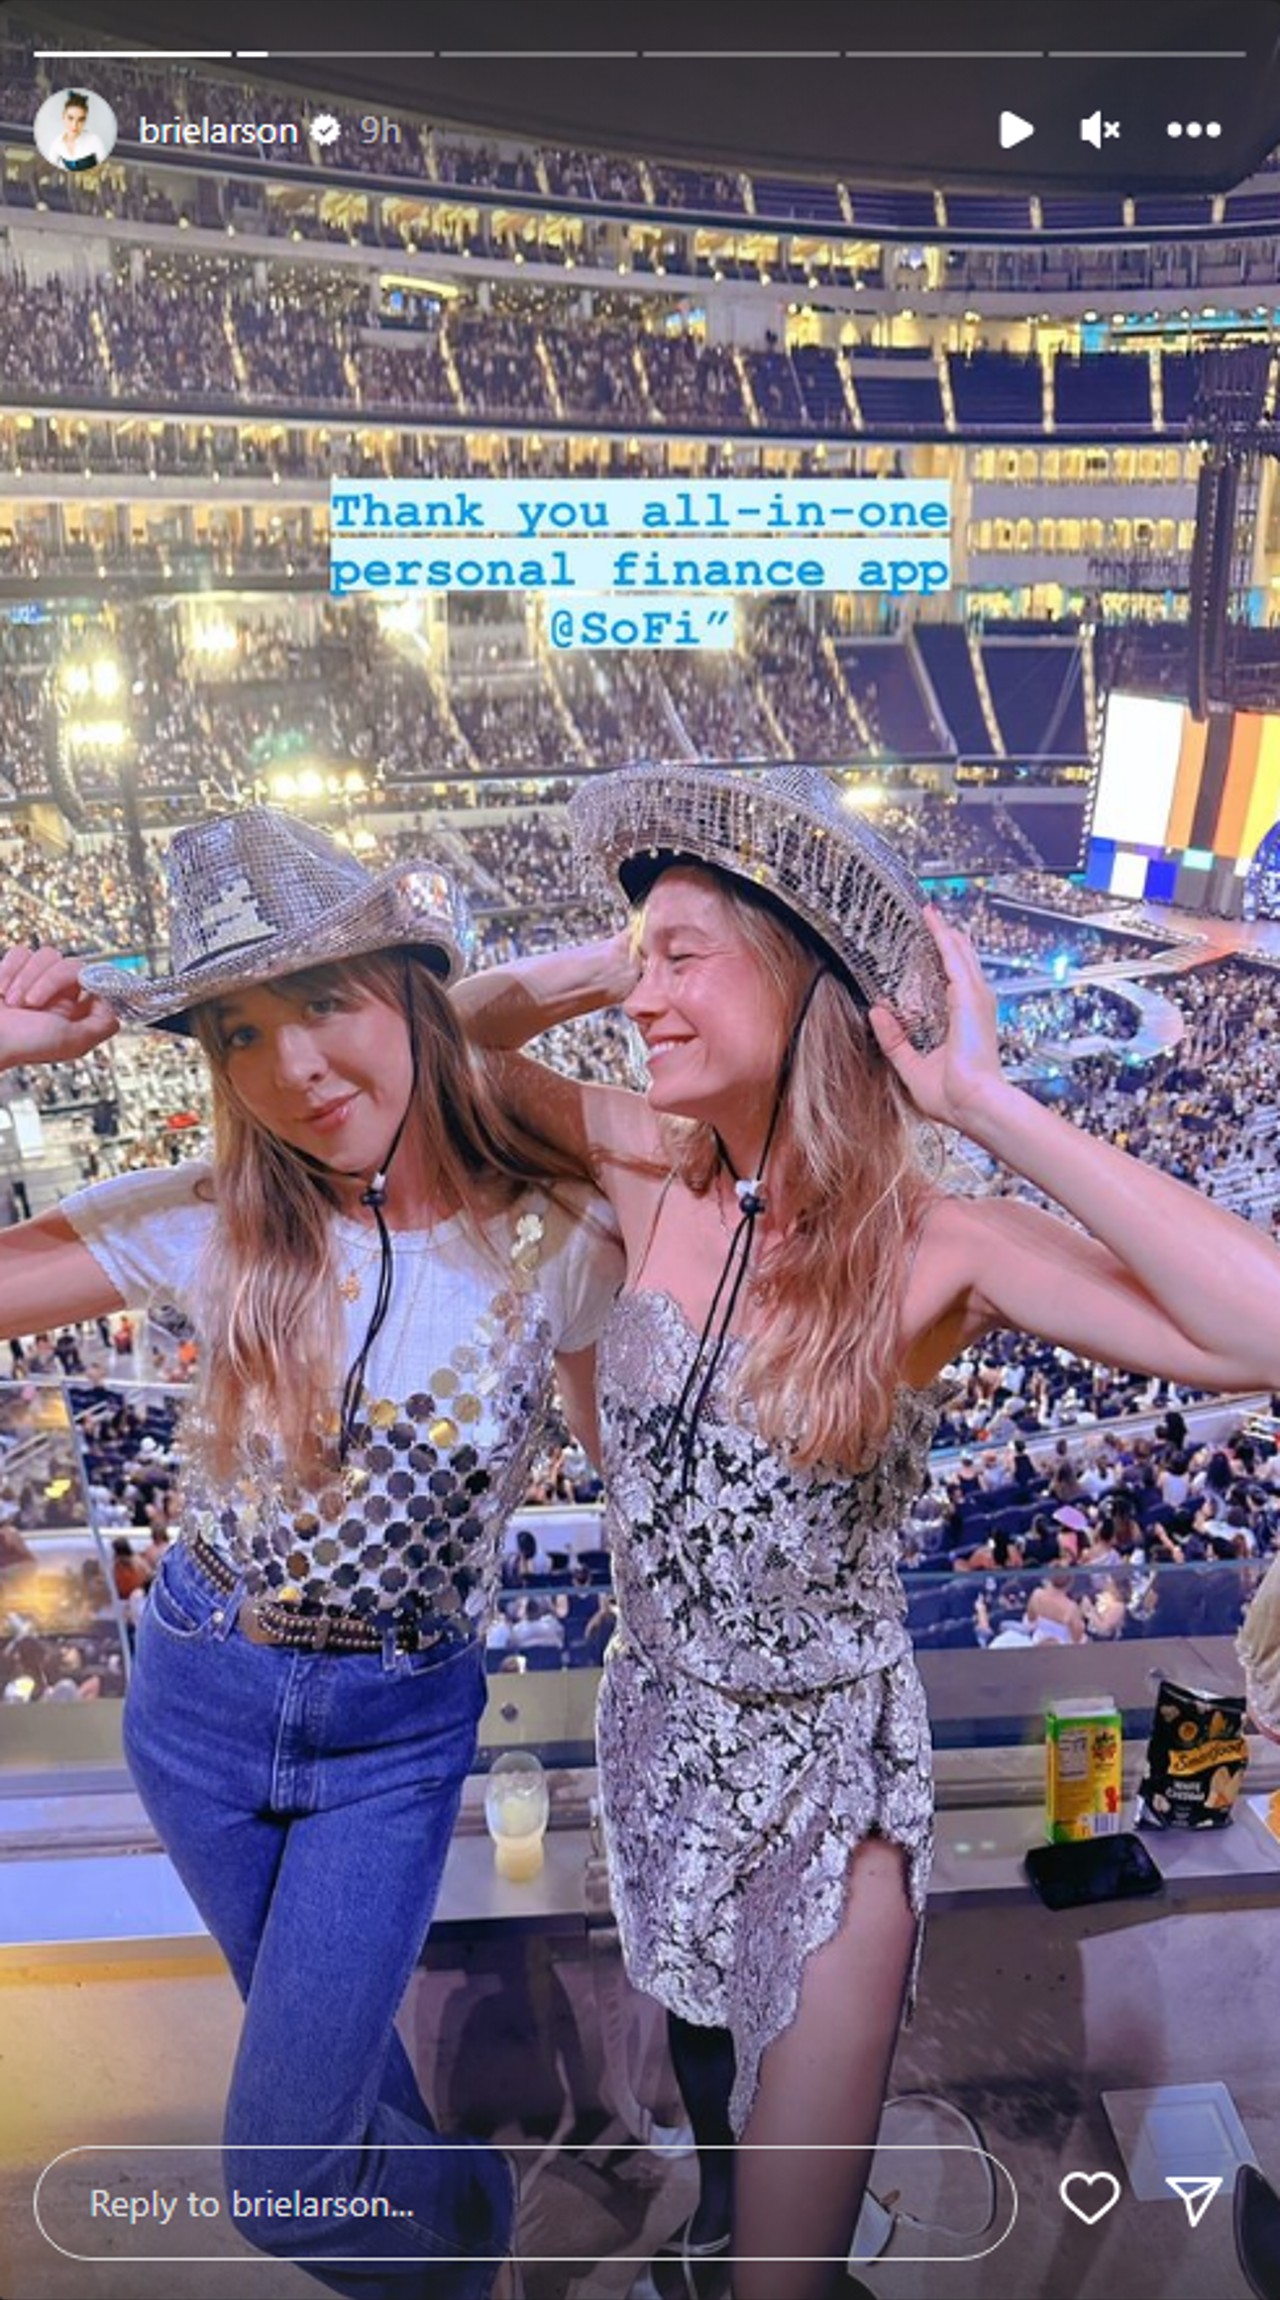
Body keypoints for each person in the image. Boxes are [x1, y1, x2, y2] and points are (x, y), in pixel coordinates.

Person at [454, 760, 1280, 2300]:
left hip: (831, 1791)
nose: (643, 1001)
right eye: (643, 967)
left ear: (803, 980)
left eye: (683, 958)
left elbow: (1267, 1326)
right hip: (656, 1743)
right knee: (710, 2100)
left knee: (785, 2273)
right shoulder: (644, 1160)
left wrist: (979, 1099)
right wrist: (611, 949)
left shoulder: (932, 1247)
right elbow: (443, 1049)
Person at [0, 808, 622, 2300]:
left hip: (394, 1739)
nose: (289, 1069)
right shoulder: (213, 1220)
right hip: (198, 1706)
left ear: (411, 991)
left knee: (285, 2182)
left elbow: (621, 1453)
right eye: (236, 1035)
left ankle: (465, 2232)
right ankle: (454, 2276)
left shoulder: (560, 1234)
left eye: (326, 1002)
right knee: (333, 2105)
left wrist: (612, 965)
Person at [45, 90, 107, 171]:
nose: (74, 125)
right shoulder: (57, 144)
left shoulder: (94, 141)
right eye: (70, 118)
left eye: (80, 120)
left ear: (85, 120)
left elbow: (106, 168)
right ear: (63, 116)